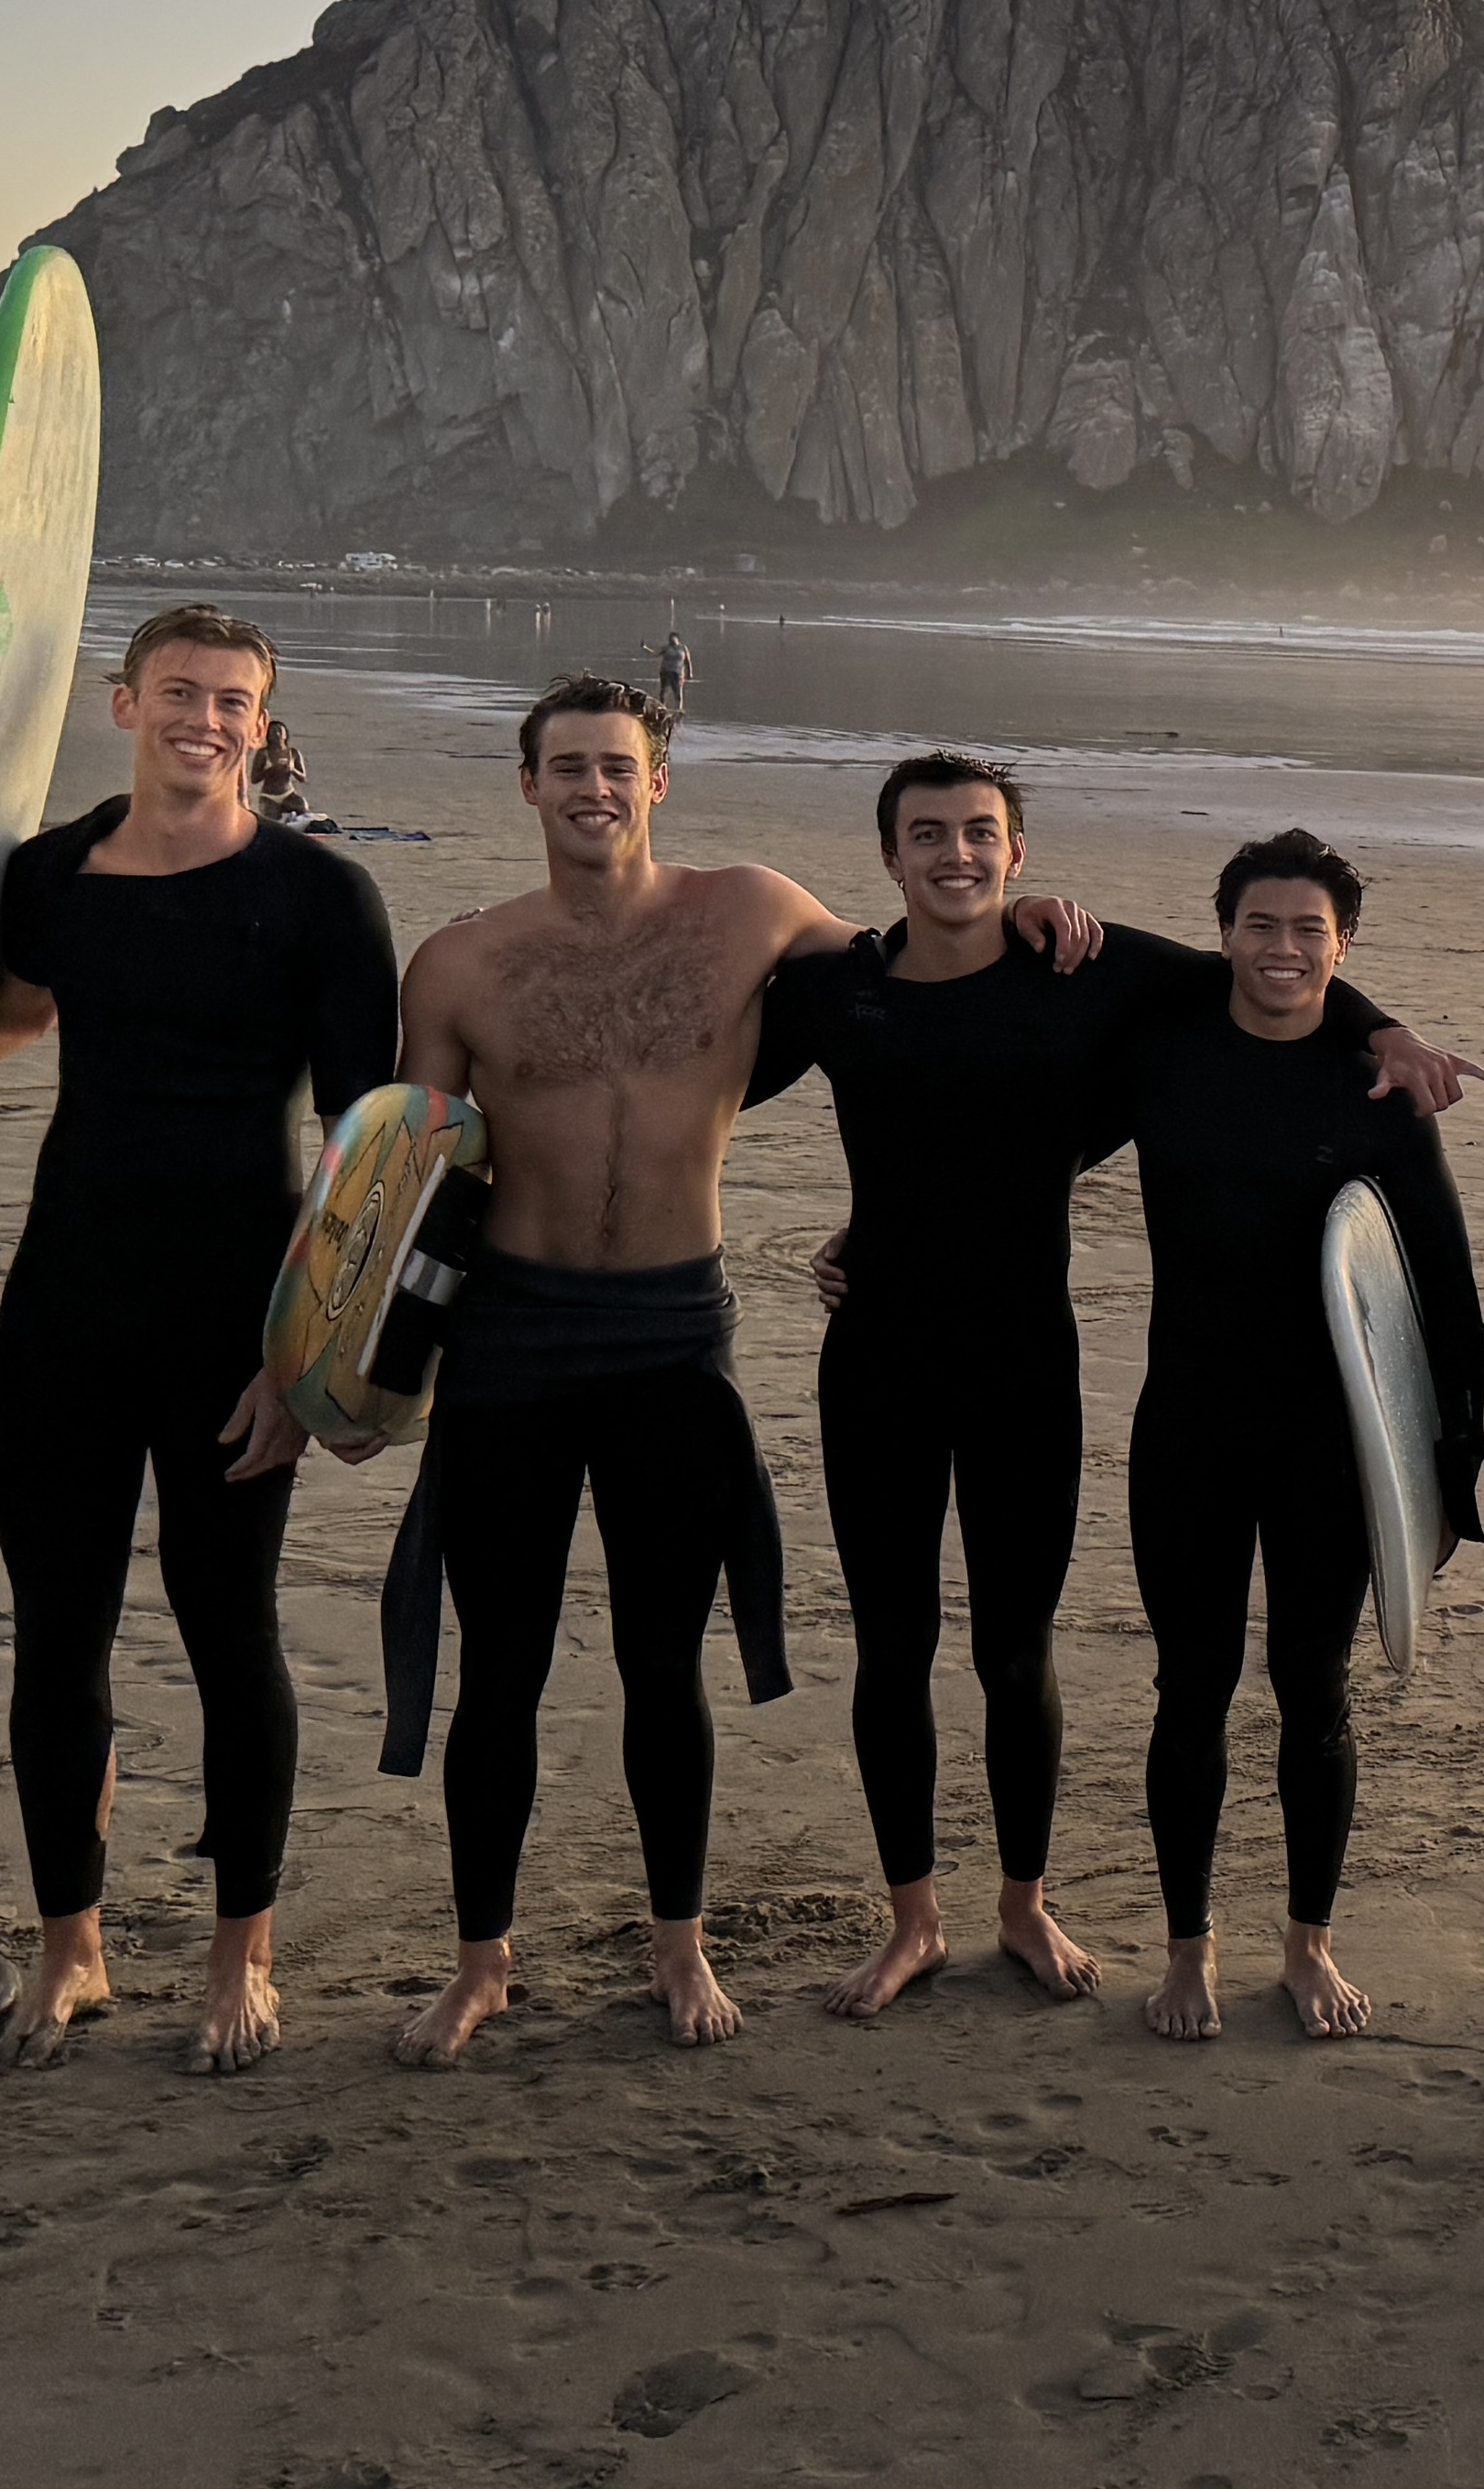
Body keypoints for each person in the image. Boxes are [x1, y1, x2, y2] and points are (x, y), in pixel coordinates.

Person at [383, 673, 1089, 2063]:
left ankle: (678, 1943)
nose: (595, 785)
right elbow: (400, 1180)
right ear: (526, 785)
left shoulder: (754, 913)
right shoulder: (458, 962)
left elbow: (911, 989)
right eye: (567, 764)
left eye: (619, 763)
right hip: (508, 1343)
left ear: (660, 782)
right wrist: (360, 1379)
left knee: (665, 1660)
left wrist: (1014, 912)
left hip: (668, 1339)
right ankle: (480, 1961)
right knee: (500, 1666)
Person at [760, 757, 1464, 2020]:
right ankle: (913, 1916)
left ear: (1018, 855)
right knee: (892, 1648)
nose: (955, 854)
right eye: (928, 834)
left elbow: (1264, 975)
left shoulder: (1083, 978)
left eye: (979, 833)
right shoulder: (835, 990)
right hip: (876, 1359)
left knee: (1016, 1648)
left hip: (1026, 1362)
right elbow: (704, 1061)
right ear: (889, 855)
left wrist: (1383, 1028)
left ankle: (1024, 1901)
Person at [0, 605, 398, 2071]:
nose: (201, 718)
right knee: (58, 1635)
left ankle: (241, 1957)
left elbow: (367, 1151)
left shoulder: (320, 897)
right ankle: (71, 1948)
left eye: (230, 700)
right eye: (177, 692)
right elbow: (16, 1014)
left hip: (238, 1319)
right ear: (122, 705)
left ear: (260, 726)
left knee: (233, 1636)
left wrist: (308, 1362)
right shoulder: (49, 879)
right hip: (66, 1304)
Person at [1120, 831, 1484, 2041]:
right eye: (1260, 927)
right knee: (1191, 1689)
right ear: (1222, 931)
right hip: (1186, 1424)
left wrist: (1445, 1476)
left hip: (1331, 1442)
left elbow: (1438, 1289)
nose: (1283, 950)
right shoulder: (1163, 1051)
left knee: (1312, 1688)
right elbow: (1017, 1158)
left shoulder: (1371, 1092)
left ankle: (1306, 1942)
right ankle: (1187, 1952)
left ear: (1344, 946)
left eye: (1309, 932)